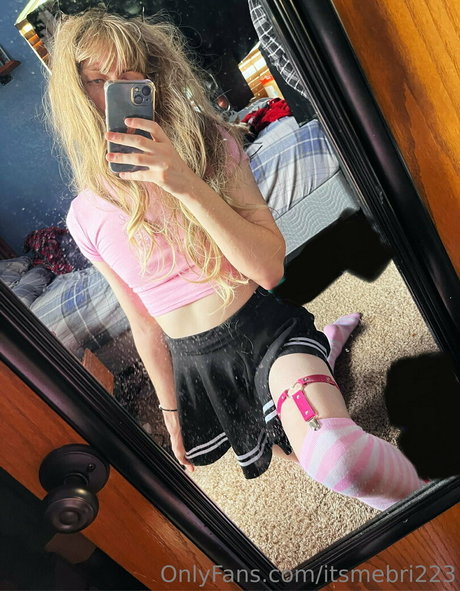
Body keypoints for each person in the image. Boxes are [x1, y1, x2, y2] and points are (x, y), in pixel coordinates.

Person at [46, 9, 425, 510]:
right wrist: (170, 412)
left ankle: (425, 495)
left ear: (152, 79)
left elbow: (268, 269)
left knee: (337, 458)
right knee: (288, 448)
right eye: (99, 81)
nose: (118, 92)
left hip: (261, 332)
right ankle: (327, 349)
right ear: (77, 96)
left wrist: (184, 182)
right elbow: (142, 323)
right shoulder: (84, 215)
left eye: (131, 75)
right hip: (198, 367)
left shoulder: (211, 146)